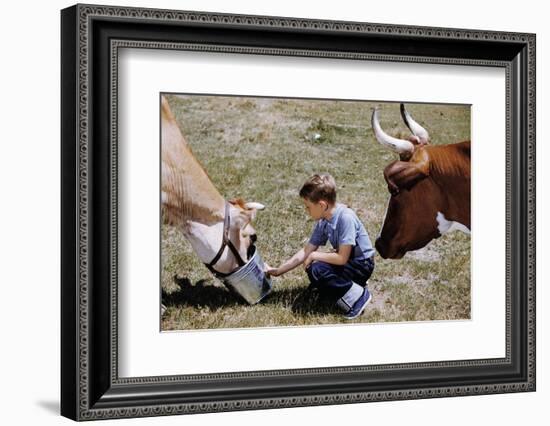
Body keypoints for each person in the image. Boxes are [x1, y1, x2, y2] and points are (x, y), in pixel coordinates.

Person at [265, 173, 375, 319]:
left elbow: (342, 258)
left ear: (322, 205)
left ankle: (358, 298)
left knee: (317, 268)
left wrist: (315, 255)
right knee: (314, 268)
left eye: (308, 207)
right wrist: (278, 271)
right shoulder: (324, 220)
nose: (307, 211)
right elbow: (306, 251)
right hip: (349, 262)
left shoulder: (345, 217)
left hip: (362, 264)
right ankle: (348, 285)